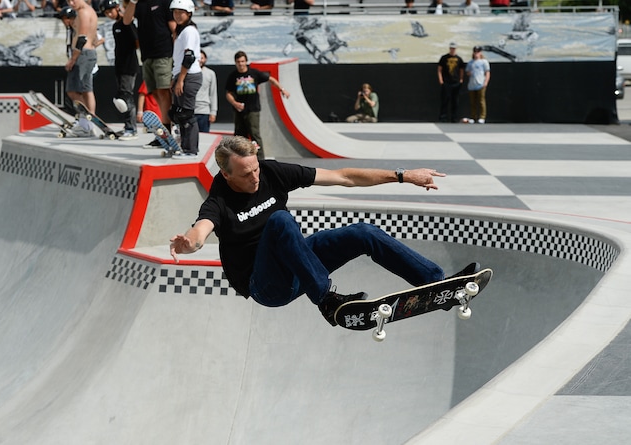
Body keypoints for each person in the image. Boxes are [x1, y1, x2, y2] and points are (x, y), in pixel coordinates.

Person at [169, 136, 477, 326]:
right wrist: (188, 244)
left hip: (296, 267)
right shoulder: (219, 201)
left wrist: (403, 175)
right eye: (247, 174)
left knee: (363, 232)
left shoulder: (271, 172)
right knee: (280, 221)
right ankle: (327, 302)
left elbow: (344, 176)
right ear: (226, 173)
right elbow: (201, 231)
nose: (256, 178)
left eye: (257, 168)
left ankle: (438, 286)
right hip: (266, 286)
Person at [123, 0, 176, 149]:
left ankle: (169, 132)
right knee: (155, 93)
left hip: (163, 53)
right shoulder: (139, 4)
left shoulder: (165, 2)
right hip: (147, 55)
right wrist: (132, 2)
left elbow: (174, 29)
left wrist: (178, 54)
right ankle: (165, 133)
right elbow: (126, 20)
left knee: (164, 92)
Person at [225, 50, 290, 159]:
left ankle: (260, 158)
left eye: (242, 61)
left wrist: (282, 89)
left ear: (246, 61)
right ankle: (240, 157)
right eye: (238, 62)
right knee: (239, 136)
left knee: (255, 134)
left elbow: (271, 79)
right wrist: (235, 103)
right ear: (235, 63)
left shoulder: (254, 73)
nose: (240, 64)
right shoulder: (233, 76)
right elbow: (228, 93)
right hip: (239, 110)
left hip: (253, 109)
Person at [101, 0, 139, 140]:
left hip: (129, 66)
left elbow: (136, 43)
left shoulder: (127, 23)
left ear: (118, 8)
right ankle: (128, 126)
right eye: (106, 13)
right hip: (120, 66)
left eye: (111, 11)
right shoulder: (116, 25)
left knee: (127, 96)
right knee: (122, 97)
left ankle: (131, 128)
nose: (109, 14)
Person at [169, 0, 202, 157]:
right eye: (175, 12)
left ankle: (191, 150)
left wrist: (180, 79)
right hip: (182, 75)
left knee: (186, 114)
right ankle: (186, 146)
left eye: (181, 12)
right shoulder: (182, 30)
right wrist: (174, 77)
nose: (177, 15)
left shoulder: (189, 31)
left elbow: (189, 57)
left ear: (189, 13)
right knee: (179, 112)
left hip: (189, 76)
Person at [64, 0, 99, 119]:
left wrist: (73, 59)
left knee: (74, 90)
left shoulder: (83, 12)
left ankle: (86, 119)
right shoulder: (90, 11)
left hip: (83, 54)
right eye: (68, 1)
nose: (71, 3)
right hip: (88, 53)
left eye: (73, 0)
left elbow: (82, 38)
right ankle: (90, 118)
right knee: (85, 89)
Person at [437, 42, 465, 123]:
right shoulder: (444, 58)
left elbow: (461, 70)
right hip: (446, 82)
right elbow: (439, 69)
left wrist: (461, 79)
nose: (453, 50)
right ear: (449, 48)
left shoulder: (459, 59)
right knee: (445, 101)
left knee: (455, 101)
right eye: (451, 48)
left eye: (454, 48)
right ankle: (443, 117)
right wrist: (441, 80)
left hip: (456, 83)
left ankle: (454, 118)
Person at [464, 45, 490, 124]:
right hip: (472, 85)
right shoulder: (470, 62)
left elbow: (487, 73)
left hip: (481, 83)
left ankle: (482, 117)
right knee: (473, 102)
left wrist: (486, 82)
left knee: (481, 101)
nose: (476, 53)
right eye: (475, 52)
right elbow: (467, 72)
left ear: (480, 53)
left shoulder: (484, 62)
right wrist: (469, 73)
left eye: (478, 52)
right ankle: (473, 116)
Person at [194, 50, 218, 133]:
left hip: (204, 112)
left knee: (204, 137)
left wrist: (213, 112)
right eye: (198, 58)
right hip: (190, 111)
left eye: (202, 58)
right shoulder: (187, 72)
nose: (200, 60)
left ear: (205, 59)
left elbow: (213, 93)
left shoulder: (210, 73)